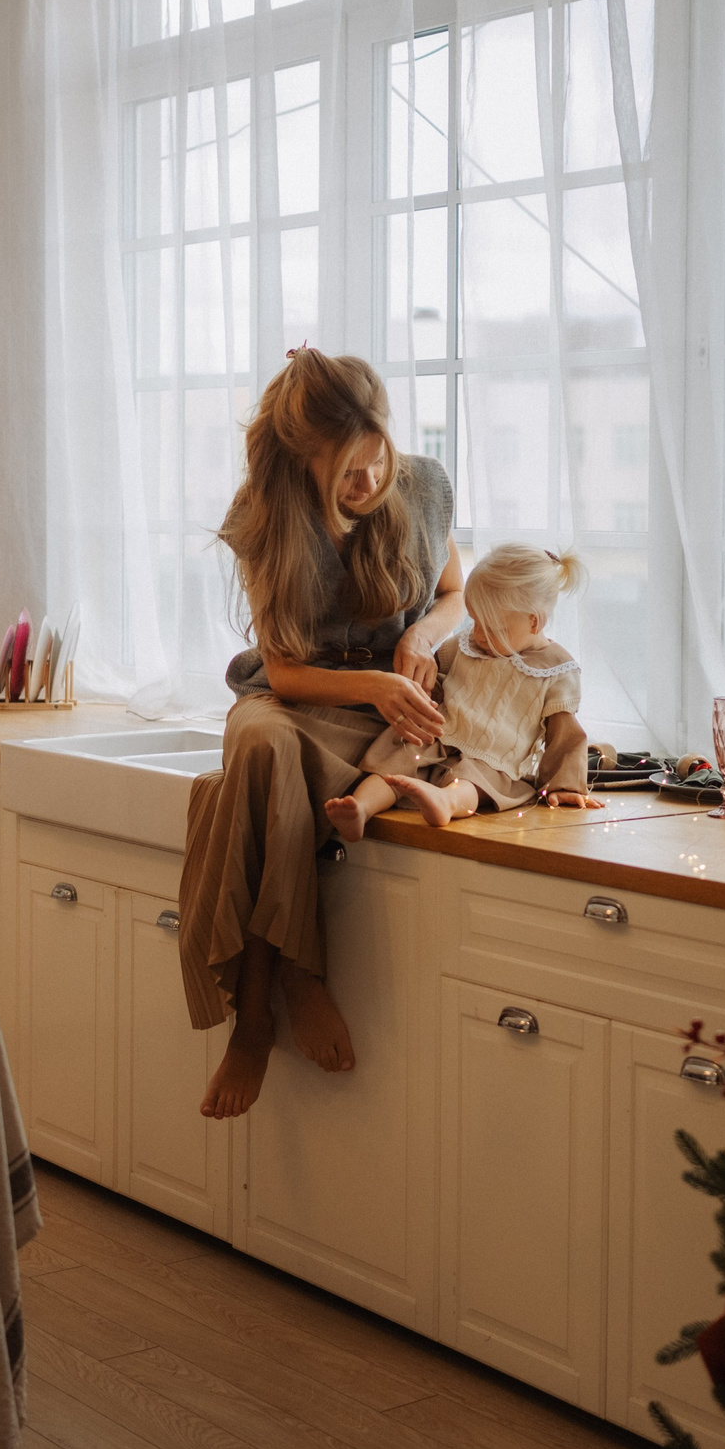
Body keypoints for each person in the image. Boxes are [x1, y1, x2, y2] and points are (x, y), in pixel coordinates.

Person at [183, 349, 558, 1120]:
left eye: (378, 458)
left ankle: (264, 1001)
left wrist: (419, 637)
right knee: (260, 745)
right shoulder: (265, 513)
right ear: (303, 458)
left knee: (260, 784)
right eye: (348, 470)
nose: (370, 480)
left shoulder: (422, 485)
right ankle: (287, 984)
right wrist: (373, 686)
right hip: (301, 697)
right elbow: (282, 671)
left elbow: (453, 593)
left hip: (396, 708)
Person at [326, 543, 602, 839]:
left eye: (492, 628)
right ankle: (361, 808)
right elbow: (435, 679)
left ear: (533, 621)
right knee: (395, 763)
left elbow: (565, 737)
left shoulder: (556, 670)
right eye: (475, 621)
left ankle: (445, 802)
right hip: (436, 740)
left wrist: (564, 786)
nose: (478, 635)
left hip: (492, 760)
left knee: (472, 782)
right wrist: (425, 695)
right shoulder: (464, 645)